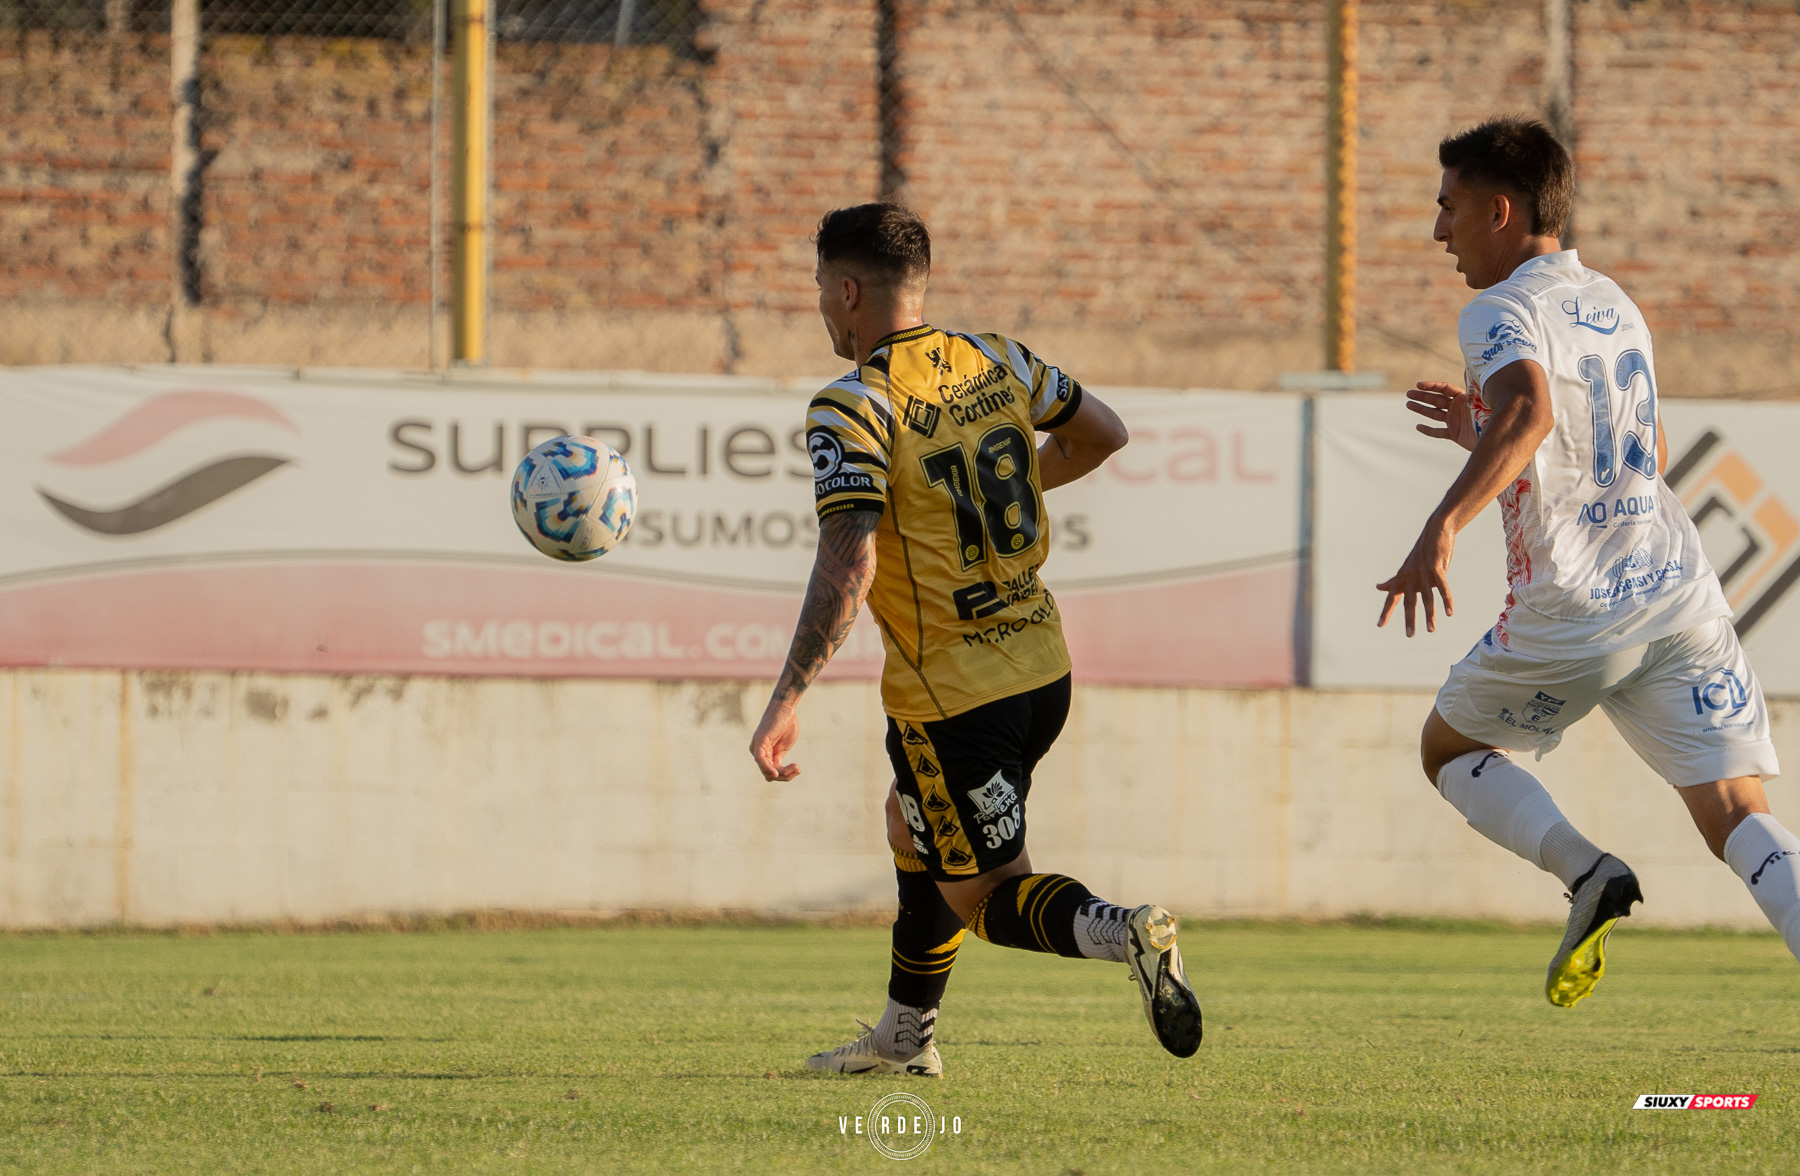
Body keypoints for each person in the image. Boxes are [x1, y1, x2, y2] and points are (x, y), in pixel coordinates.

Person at [749, 202, 1203, 1074]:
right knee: (910, 819)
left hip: (952, 695)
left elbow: (848, 564)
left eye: (819, 289)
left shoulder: (854, 404)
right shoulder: (997, 357)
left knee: (985, 894)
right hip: (1042, 668)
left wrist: (786, 699)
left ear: (846, 291)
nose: (820, 308)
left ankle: (1130, 934)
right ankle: (904, 1038)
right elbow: (1102, 433)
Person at [1379, 117, 1798, 1006]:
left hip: (1575, 606)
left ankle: (1587, 873)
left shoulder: (1498, 309)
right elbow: (1639, 441)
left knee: (1448, 747)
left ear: (1500, 210)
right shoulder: (1612, 299)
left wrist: (1440, 526)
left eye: (1448, 208)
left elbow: (1531, 411)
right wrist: (1484, 430)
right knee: (1737, 812)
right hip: (1678, 592)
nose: (1437, 231)